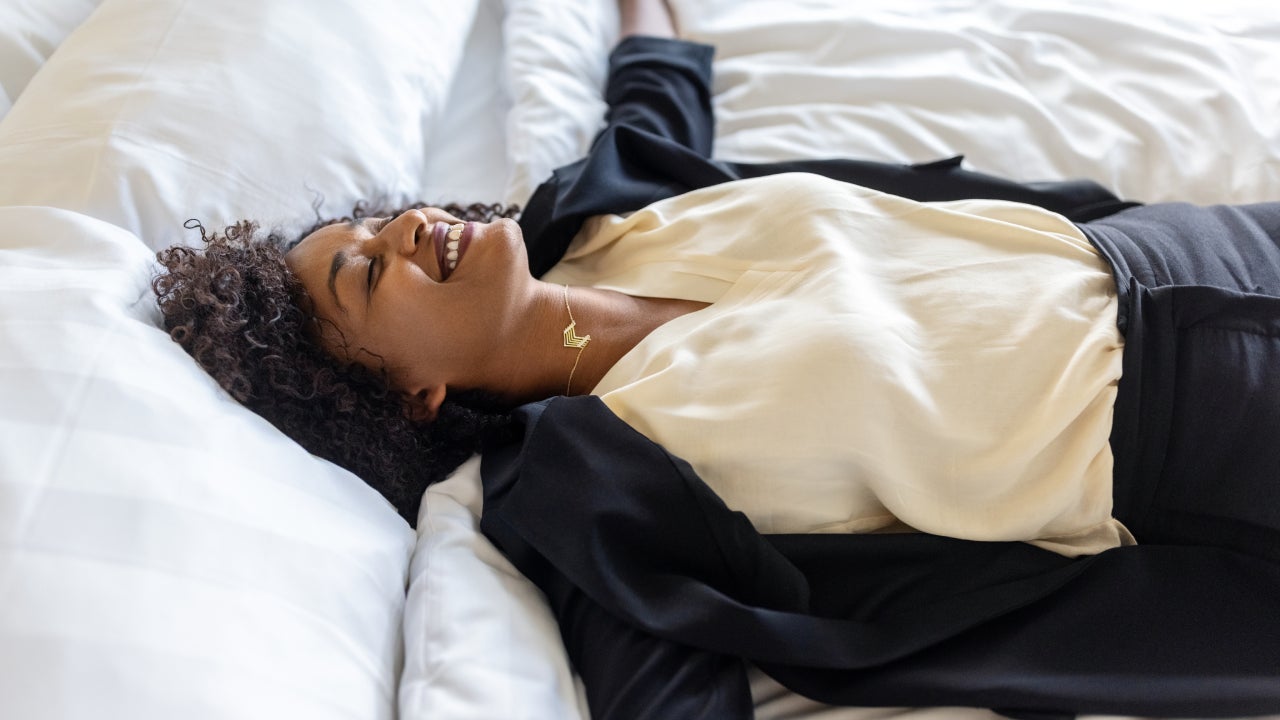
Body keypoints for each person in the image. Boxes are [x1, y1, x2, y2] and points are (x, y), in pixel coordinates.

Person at [154, 0, 1280, 716]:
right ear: (409, 395)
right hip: (1214, 455)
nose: (398, 230)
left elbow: (654, 96)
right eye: (363, 273)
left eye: (374, 220)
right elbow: (662, 682)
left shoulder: (606, 213)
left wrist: (639, 20)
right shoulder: (584, 486)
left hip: (1205, 248)